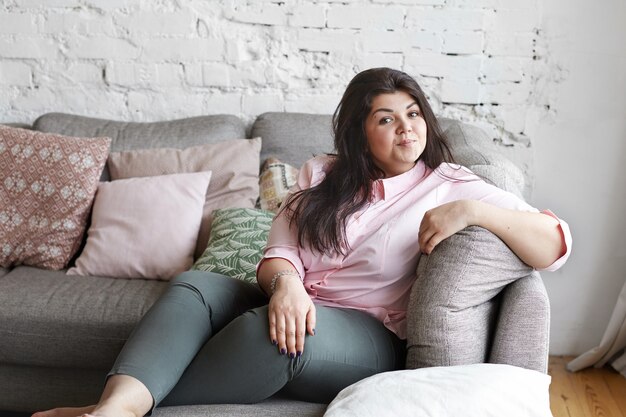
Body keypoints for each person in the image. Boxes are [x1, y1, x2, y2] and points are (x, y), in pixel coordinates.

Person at [33, 67, 571, 417]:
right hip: (293, 298)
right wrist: (287, 286)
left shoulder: (454, 185)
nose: (407, 129)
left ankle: (111, 411)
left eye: (413, 115)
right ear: (360, 133)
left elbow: (554, 243)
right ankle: (112, 412)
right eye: (387, 119)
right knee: (196, 284)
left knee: (282, 337)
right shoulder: (323, 174)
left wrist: (475, 210)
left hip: (370, 334)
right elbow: (280, 251)